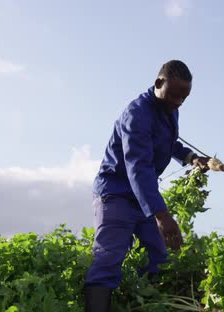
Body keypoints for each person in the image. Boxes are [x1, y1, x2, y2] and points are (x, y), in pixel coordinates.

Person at [84, 60, 209, 311]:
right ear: (158, 83)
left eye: (184, 97)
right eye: (174, 95)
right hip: (116, 194)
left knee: (159, 258)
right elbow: (138, 167)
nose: (178, 102)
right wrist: (161, 215)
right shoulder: (137, 114)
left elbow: (168, 142)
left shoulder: (169, 109)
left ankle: (141, 304)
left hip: (143, 197)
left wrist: (191, 157)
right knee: (109, 258)